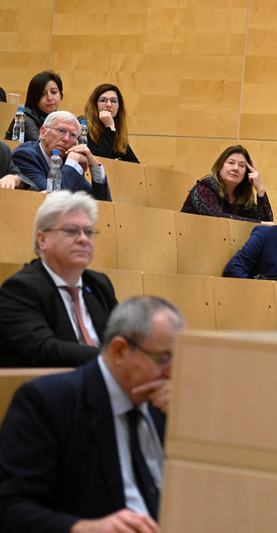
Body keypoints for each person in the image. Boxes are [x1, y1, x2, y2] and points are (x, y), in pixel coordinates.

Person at [0, 296, 184, 533]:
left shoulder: (168, 407)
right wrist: (85, 528)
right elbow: (10, 507)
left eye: (180, 360)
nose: (173, 373)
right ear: (119, 350)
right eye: (164, 359)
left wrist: (187, 423)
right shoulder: (49, 402)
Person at [0, 190, 117, 367]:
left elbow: (126, 338)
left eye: (88, 231)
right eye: (71, 231)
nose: (83, 239)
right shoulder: (19, 290)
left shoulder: (99, 284)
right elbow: (46, 351)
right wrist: (115, 358)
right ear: (42, 240)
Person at [11, 111, 112, 201]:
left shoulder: (69, 160)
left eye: (73, 135)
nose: (66, 139)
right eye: (61, 131)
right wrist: (72, 163)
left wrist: (94, 166)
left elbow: (102, 204)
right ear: (43, 132)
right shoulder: (24, 156)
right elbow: (53, 198)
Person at [181, 145, 273, 222]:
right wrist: (259, 223)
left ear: (246, 173)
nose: (235, 168)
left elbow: (267, 224)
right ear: (220, 166)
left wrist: (260, 189)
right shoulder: (205, 186)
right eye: (231, 163)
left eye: (241, 166)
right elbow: (218, 220)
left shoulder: (242, 196)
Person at [81, 83, 140, 163]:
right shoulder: (83, 126)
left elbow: (135, 164)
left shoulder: (116, 130)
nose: (109, 105)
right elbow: (99, 162)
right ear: (95, 105)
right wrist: (109, 127)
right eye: (103, 100)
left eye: (114, 101)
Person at [4, 70, 63, 142]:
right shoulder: (25, 117)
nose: (50, 98)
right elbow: (41, 144)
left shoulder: (58, 118)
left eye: (54, 92)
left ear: (60, 94)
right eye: (42, 94)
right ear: (34, 97)